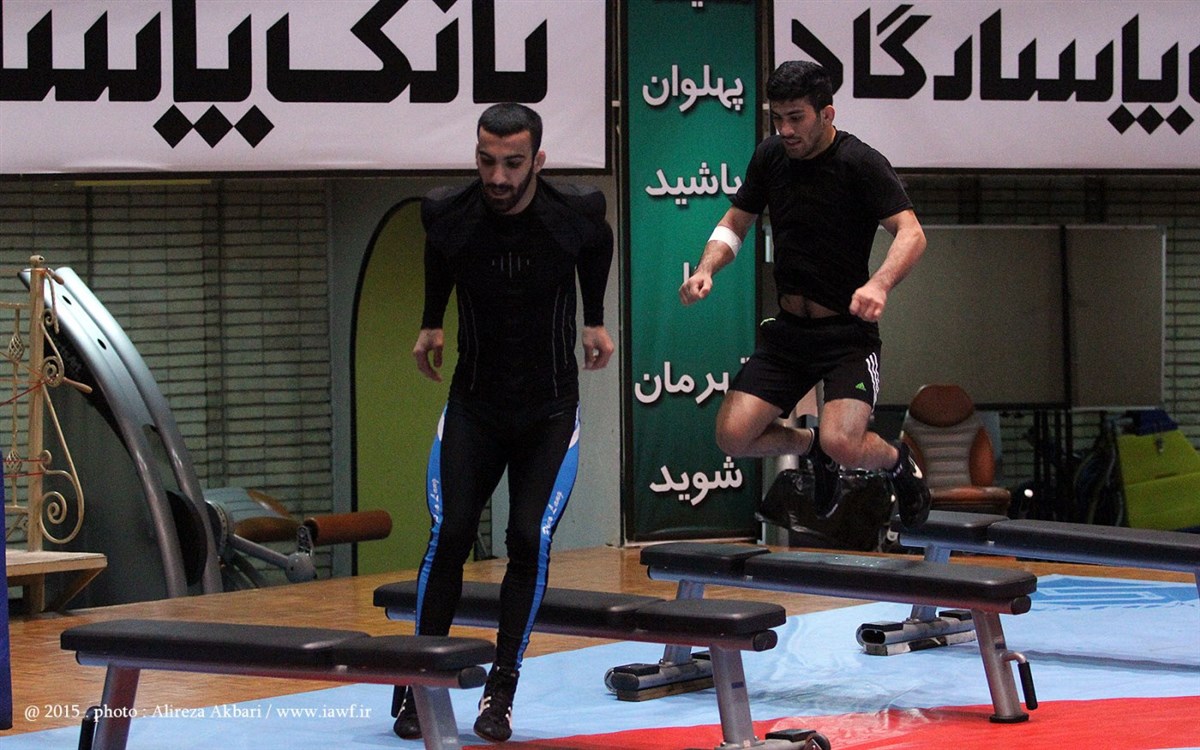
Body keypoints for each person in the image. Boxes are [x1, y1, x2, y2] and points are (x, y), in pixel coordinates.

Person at [398, 102, 614, 744]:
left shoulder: (575, 212)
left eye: (513, 163)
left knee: (527, 537)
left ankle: (503, 686)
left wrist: (595, 318)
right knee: (451, 533)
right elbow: (439, 252)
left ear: (537, 161)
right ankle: (418, 681)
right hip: (475, 406)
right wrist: (431, 320)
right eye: (486, 161)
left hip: (549, 411)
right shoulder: (447, 211)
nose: (497, 176)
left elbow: (597, 247)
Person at [678, 60, 931, 528]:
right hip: (790, 335)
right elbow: (736, 221)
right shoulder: (771, 157)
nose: (786, 129)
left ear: (827, 114)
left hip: (847, 336)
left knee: (844, 442)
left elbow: (911, 233)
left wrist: (879, 283)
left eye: (796, 118)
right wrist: (706, 268)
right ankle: (811, 447)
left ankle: (897, 461)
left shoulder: (860, 162)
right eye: (778, 118)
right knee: (733, 437)